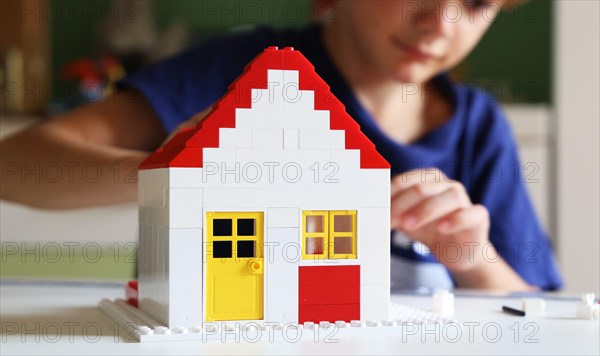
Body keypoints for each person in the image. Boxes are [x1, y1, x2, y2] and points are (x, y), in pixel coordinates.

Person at [0, 0, 562, 291]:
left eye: (478, 3)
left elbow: (530, 305)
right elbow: (15, 165)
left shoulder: (479, 128)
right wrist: (172, 173)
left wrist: (473, 258)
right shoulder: (245, 70)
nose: (439, 23)